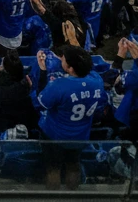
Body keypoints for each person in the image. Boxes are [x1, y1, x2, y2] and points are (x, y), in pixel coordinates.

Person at [36, 44, 108, 190]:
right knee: (73, 166)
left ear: (70, 68)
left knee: (53, 168)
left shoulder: (60, 85)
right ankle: (72, 195)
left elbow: (42, 103)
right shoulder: (97, 81)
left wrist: (43, 71)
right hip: (80, 135)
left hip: (55, 135)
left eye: (64, 59)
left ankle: (53, 198)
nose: (61, 59)